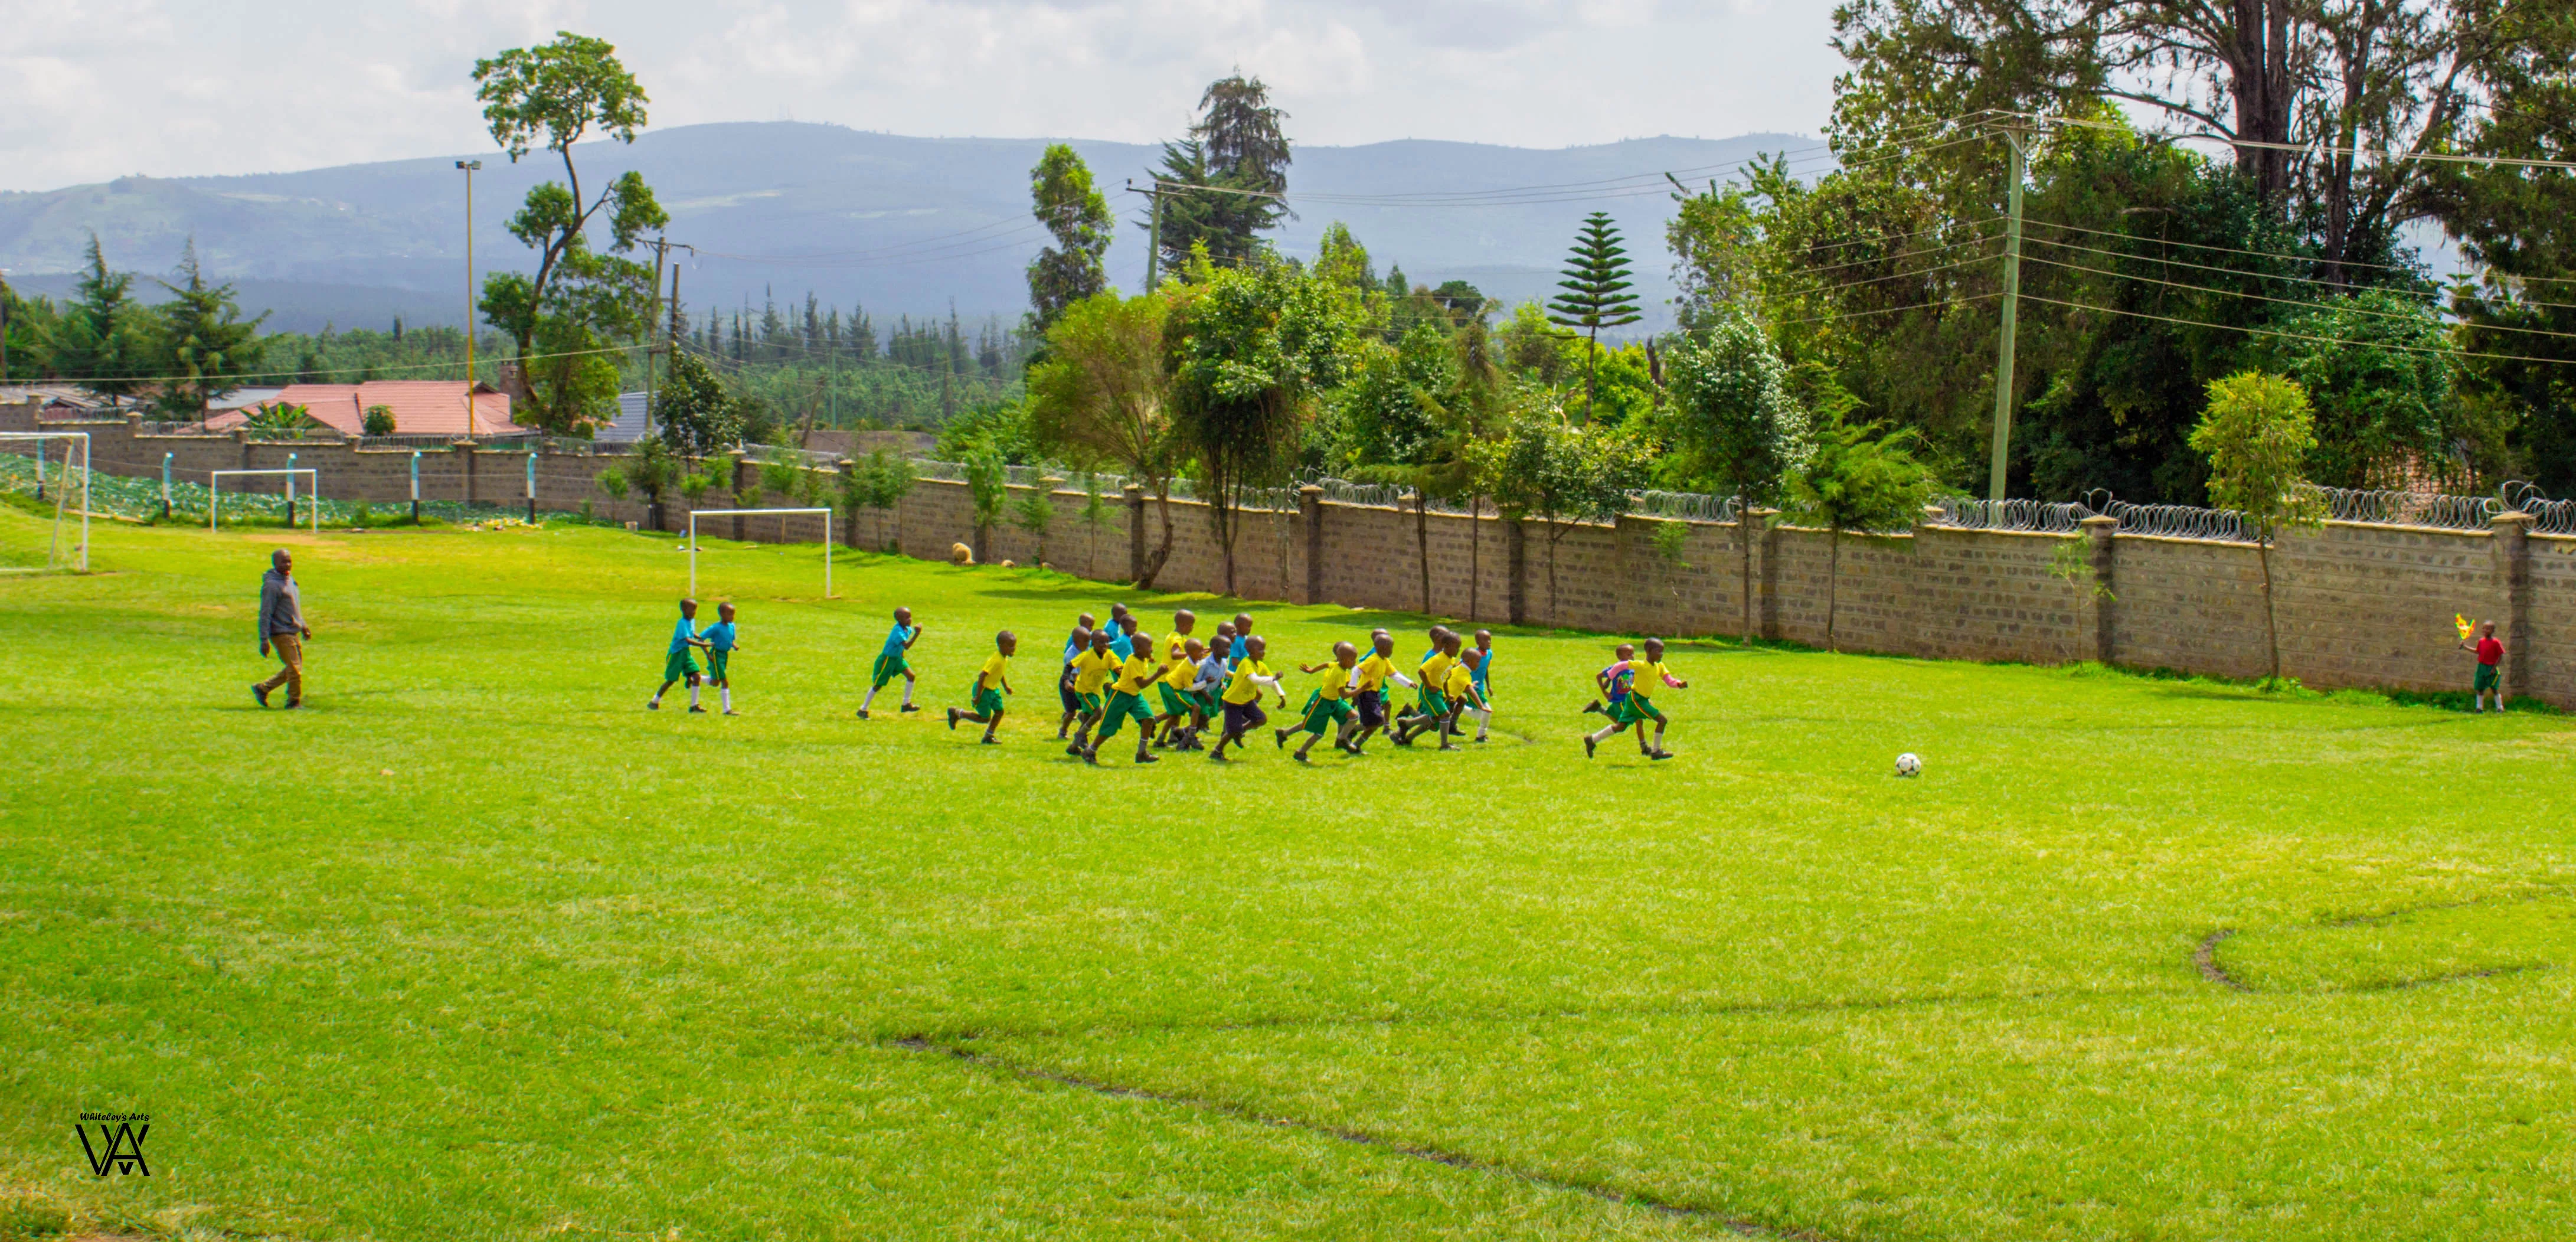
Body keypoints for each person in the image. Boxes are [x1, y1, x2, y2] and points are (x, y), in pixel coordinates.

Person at [1586, 638, 1686, 760]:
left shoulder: (1660, 666)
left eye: (1662, 651)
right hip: (1636, 699)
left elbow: (1669, 680)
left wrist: (1678, 684)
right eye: (1659, 651)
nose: (1662, 654)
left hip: (1639, 699)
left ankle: (1592, 740)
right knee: (1662, 720)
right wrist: (1611, 676)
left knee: (1621, 727)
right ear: (1649, 651)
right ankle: (1656, 751)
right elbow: (1622, 665)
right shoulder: (1641, 665)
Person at [1085, 629, 1167, 765]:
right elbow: (1141, 684)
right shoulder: (1133, 661)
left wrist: (1150, 658)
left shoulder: (1142, 657)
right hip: (1121, 696)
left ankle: (1142, 753)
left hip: (1134, 696)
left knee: (1148, 720)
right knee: (1109, 728)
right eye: (1150, 647)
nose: (1152, 649)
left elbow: (1146, 662)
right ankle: (1090, 750)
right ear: (1138, 648)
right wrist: (1158, 674)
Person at [1279, 641, 1361, 762]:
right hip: (1324, 702)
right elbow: (1343, 695)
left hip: (1334, 701)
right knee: (1317, 731)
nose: (1355, 662)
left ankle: (1342, 739)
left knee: (1353, 716)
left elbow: (1326, 664)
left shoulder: (1338, 666)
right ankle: (1300, 752)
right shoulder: (1339, 673)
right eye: (1352, 659)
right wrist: (1362, 689)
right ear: (1343, 659)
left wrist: (1312, 670)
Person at [1209, 635, 1286, 761]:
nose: (1263, 652)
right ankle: (1217, 751)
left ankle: (1240, 731)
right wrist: (1274, 678)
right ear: (1250, 650)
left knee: (1261, 719)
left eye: (1264, 649)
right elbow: (1255, 679)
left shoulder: (1260, 665)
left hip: (1247, 701)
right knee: (1232, 731)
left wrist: (1281, 695)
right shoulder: (1246, 663)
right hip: (1233, 702)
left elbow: (1271, 681)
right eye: (1260, 649)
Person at [253, 547, 313, 710]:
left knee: (294, 668)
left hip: (293, 630)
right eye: (284, 562)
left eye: (290, 561)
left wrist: (303, 626)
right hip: (281, 633)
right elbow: (265, 613)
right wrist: (264, 639)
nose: (288, 565)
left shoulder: (290, 580)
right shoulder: (272, 586)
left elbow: (294, 607)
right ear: (275, 563)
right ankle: (294, 702)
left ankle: (263, 688)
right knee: (295, 670)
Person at [1339, 631, 1414, 754]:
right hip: (1366, 695)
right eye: (1391, 648)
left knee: (1375, 722)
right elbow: (1356, 670)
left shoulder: (1384, 661)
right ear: (1383, 649)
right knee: (1378, 721)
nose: (1392, 651)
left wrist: (1408, 683)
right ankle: (1351, 737)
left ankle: (1354, 740)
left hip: (1375, 695)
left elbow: (1393, 674)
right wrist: (1354, 689)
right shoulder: (1373, 659)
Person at [948, 630, 1017, 743]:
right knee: (985, 718)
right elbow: (982, 676)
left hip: (993, 690)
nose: (1013, 648)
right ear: (1002, 646)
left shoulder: (1003, 658)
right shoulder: (996, 660)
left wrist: (1006, 687)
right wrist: (978, 696)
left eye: (1014, 645)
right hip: (984, 691)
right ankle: (957, 713)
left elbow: (1000, 673)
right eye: (1010, 646)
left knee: (1000, 712)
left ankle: (988, 736)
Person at [1063, 629, 1122, 756]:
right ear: (1093, 643)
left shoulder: (1109, 655)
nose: (1105, 645)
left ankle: (1074, 747)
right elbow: (1069, 666)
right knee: (1098, 713)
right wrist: (1067, 681)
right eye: (1101, 642)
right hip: (1084, 691)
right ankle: (1080, 735)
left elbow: (1119, 669)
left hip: (1094, 692)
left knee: (1087, 718)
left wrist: (1124, 676)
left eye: (1107, 642)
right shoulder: (1086, 656)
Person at [1394, 632, 1458, 746]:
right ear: (1446, 646)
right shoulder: (1437, 658)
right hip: (1428, 692)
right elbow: (1421, 671)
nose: (1458, 650)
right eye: (1456, 647)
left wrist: (1448, 694)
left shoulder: (1452, 661)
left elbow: (1445, 679)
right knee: (1444, 715)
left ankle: (1407, 724)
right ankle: (1445, 745)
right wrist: (1429, 686)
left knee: (1436, 719)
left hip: (1439, 692)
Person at [858, 607, 923, 719]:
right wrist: (917, 634)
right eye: (906, 617)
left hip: (897, 659)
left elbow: (902, 647)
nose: (910, 620)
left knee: (911, 676)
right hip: (887, 660)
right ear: (899, 619)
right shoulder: (897, 631)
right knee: (878, 685)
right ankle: (863, 709)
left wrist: (901, 654)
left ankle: (906, 704)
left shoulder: (907, 629)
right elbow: (906, 646)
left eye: (910, 617)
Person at [648, 597, 710, 713]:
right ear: (683, 610)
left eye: (695, 610)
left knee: (697, 676)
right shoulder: (682, 623)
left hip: (685, 653)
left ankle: (694, 706)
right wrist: (706, 644)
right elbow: (688, 640)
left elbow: (691, 633)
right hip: (677, 654)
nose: (694, 613)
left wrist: (699, 637)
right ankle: (654, 702)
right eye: (691, 610)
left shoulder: (690, 621)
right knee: (671, 680)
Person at [1157, 638, 1212, 750]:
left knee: (1174, 715)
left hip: (1177, 688)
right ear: (1190, 653)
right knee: (1196, 708)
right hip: (1174, 689)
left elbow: (1202, 661)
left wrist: (1211, 650)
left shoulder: (1193, 661)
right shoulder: (1187, 668)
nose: (1202, 653)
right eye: (1199, 651)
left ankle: (1159, 739)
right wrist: (1205, 682)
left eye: (1203, 650)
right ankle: (1191, 735)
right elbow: (1190, 687)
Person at [1055, 616, 1095, 740]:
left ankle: (1082, 732)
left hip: (1081, 683)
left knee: (1087, 709)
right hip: (1069, 685)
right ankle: (1063, 731)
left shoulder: (1086, 649)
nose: (1088, 645)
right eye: (1086, 642)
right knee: (1071, 712)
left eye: (1089, 642)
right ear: (1076, 642)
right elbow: (1075, 675)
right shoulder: (1070, 655)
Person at [702, 602, 744, 716]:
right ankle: (727, 710)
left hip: (725, 656)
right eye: (730, 614)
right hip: (716, 655)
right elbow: (701, 639)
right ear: (722, 614)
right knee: (725, 681)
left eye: (733, 614)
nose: (732, 617)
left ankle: (695, 678)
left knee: (715, 682)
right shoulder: (716, 628)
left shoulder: (732, 626)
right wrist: (708, 654)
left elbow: (729, 639)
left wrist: (734, 645)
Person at [1583, 643, 1637, 717]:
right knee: (1622, 723)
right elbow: (1599, 676)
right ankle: (1598, 708)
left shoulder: (1633, 667)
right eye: (1629, 655)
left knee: (1624, 722)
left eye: (1633, 654)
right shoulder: (1616, 668)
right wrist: (1605, 692)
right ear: (1619, 656)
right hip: (1619, 700)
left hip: (1629, 699)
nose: (1632, 656)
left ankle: (1598, 707)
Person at [2463, 619, 2505, 712]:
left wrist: (2494, 668)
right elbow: (2478, 651)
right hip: (2481, 667)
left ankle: (2500, 708)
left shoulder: (2496, 642)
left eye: (2488, 629)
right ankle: (2479, 708)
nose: (2486, 631)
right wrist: (2465, 647)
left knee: (2494, 688)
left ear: (2493, 631)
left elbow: (2500, 656)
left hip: (2491, 668)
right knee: (2480, 688)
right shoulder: (2481, 641)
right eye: (2484, 629)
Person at [1468, 629, 1496, 742]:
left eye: (1490, 639)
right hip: (1471, 688)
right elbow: (1461, 668)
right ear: (1478, 642)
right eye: (1485, 640)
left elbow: (1485, 670)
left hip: (1481, 688)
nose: (1489, 642)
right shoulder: (1473, 655)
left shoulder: (1490, 654)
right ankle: (1481, 735)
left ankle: (1457, 707)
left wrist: (1489, 686)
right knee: (1487, 711)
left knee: (1480, 712)